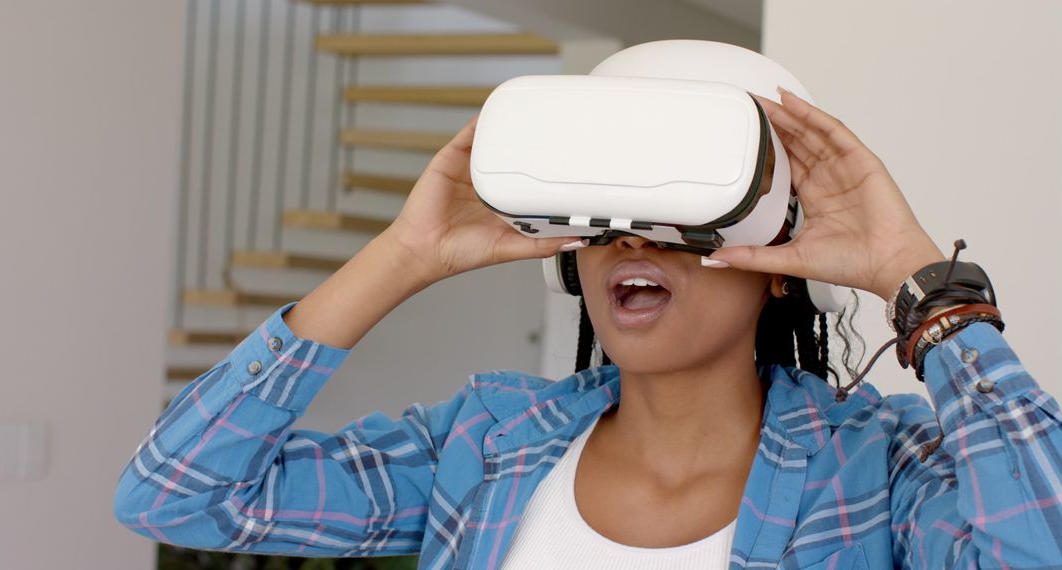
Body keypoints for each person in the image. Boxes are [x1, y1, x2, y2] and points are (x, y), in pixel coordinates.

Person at [114, 84, 1062, 569]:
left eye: (679, 219)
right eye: (601, 223)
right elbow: (177, 495)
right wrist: (405, 253)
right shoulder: (486, 442)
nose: (630, 245)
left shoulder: (881, 471)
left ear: (778, 269)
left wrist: (922, 283)